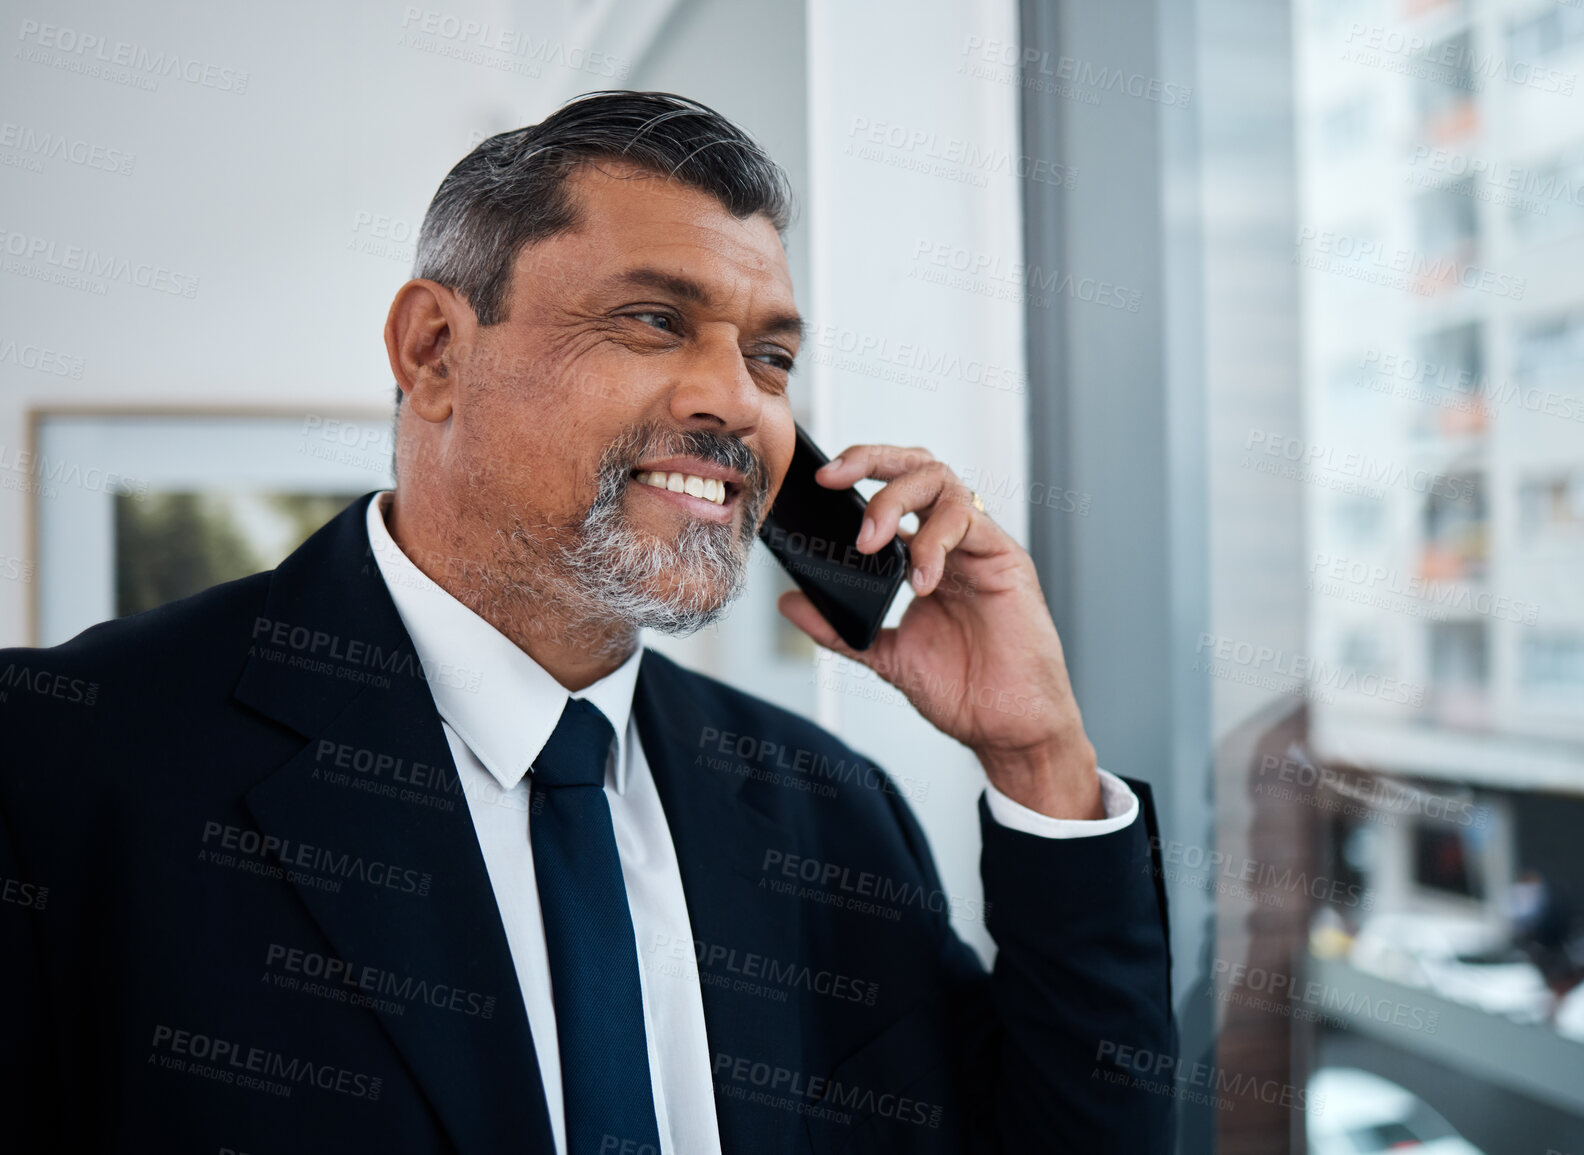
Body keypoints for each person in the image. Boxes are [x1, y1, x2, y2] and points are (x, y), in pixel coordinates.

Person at [0, 91, 1174, 1153]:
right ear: (435, 351)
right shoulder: (58, 759)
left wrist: (1037, 756)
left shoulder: (827, 809)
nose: (738, 403)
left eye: (770, 358)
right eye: (656, 321)